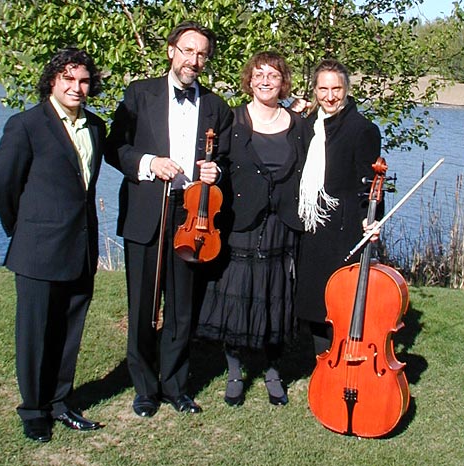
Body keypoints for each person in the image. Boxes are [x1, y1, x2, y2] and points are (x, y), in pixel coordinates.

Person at [107, 21, 232, 417]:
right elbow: (116, 148)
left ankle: (176, 385)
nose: (194, 61)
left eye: (201, 55)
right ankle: (144, 388)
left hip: (193, 214)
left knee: (182, 308)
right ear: (171, 51)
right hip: (148, 209)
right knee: (143, 304)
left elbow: (226, 160)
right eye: (188, 51)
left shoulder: (216, 106)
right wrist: (149, 162)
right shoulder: (138, 93)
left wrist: (217, 173)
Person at [0, 48, 106, 442]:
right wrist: (21, 229)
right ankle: (33, 409)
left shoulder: (96, 126)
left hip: (81, 247)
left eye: (84, 80)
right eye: (68, 79)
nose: (77, 87)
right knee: (36, 332)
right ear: (52, 81)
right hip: (38, 247)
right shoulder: (26, 125)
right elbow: (1, 183)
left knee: (70, 331)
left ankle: (59, 401)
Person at [196, 51, 306, 407]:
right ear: (249, 79)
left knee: (276, 295)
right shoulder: (233, 119)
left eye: (273, 75)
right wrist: (213, 174)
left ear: (283, 81)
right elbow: (221, 164)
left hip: (282, 223)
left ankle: (273, 371)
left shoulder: (298, 123)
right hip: (240, 220)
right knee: (237, 296)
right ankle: (234, 371)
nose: (265, 81)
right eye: (259, 74)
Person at [295, 59, 382, 356]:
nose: (330, 96)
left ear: (346, 89)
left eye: (336, 89)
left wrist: (370, 220)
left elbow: (369, 185)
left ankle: (344, 358)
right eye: (323, 89)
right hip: (311, 224)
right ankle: (323, 362)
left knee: (341, 300)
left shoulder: (362, 129)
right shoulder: (308, 125)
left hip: (343, 227)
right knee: (315, 301)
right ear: (315, 90)